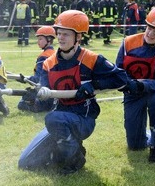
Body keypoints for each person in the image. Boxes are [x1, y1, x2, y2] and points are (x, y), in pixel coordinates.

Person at [18, 10, 127, 174]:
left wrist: (94, 84)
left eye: (66, 34)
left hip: (83, 119)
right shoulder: (48, 64)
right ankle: (64, 148)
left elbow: (122, 78)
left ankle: (75, 156)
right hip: (59, 121)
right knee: (26, 163)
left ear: (78, 37)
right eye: (59, 33)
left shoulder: (91, 59)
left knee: (53, 118)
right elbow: (46, 99)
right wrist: (35, 96)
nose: (60, 38)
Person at [115, 6, 155, 163]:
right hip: (133, 95)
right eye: (149, 28)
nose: (150, 33)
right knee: (135, 145)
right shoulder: (128, 43)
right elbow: (118, 72)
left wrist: (143, 85)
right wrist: (128, 85)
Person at [17, 26, 56, 112]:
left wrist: (25, 79)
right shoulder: (54, 53)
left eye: (40, 39)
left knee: (22, 103)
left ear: (49, 39)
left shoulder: (43, 57)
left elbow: (38, 79)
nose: (38, 41)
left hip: (45, 94)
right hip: (56, 95)